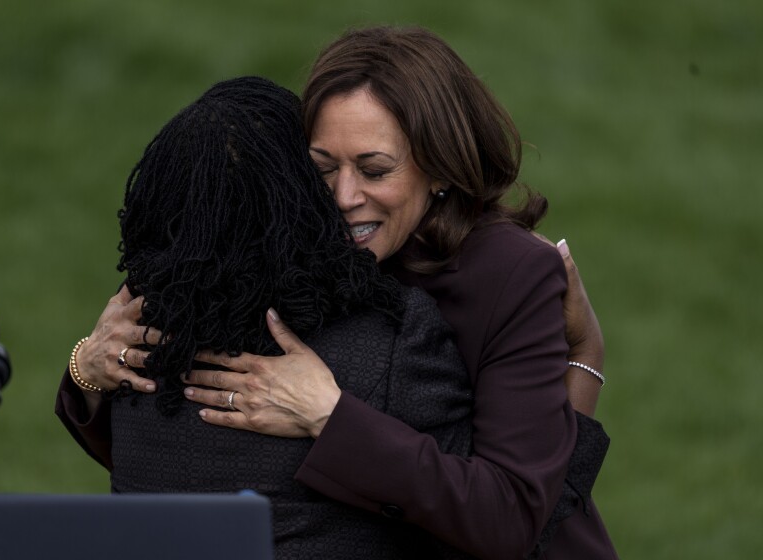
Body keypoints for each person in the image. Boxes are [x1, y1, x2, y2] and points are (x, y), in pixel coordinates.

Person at [59, 26, 616, 559]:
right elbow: (193, 459)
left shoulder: (507, 273)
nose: (344, 196)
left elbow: (513, 517)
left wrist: (330, 416)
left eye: (375, 170)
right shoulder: (287, 254)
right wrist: (88, 368)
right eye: (321, 168)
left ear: (440, 169)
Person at [59, 76, 483, 559]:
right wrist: (581, 361)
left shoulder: (132, 344)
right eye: (320, 168)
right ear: (298, 191)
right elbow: (492, 524)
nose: (342, 194)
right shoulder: (395, 337)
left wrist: (82, 368)